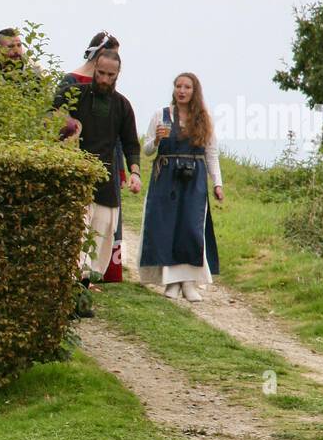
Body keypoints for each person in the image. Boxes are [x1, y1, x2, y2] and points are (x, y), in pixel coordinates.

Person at [52, 44, 141, 280]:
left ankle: (84, 290)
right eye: (100, 73)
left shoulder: (123, 105)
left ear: (117, 75)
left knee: (100, 239)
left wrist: (135, 173)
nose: (104, 79)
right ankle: (71, 291)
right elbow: (50, 112)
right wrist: (65, 124)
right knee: (76, 238)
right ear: (95, 69)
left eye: (110, 75)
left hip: (105, 179)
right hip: (77, 177)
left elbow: (131, 143)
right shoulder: (75, 94)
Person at [138, 73, 223, 302]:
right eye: (178, 86)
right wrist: (155, 140)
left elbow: (211, 153)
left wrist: (217, 183)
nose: (182, 91)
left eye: (187, 87)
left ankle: (189, 282)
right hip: (166, 175)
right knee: (168, 226)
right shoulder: (161, 115)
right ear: (174, 89)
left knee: (191, 227)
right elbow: (146, 150)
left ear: (195, 91)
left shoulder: (204, 118)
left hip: (194, 176)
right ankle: (172, 282)